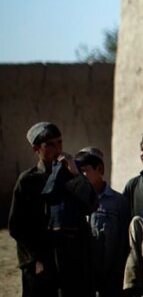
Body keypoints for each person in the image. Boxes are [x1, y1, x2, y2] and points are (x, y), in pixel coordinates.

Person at [8, 122, 99, 297]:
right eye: (50, 144)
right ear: (36, 149)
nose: (58, 149)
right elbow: (17, 226)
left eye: (59, 142)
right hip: (42, 262)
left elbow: (92, 204)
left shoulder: (71, 174)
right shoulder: (28, 181)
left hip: (73, 261)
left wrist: (75, 176)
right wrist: (35, 260)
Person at [76, 147, 131, 297]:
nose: (81, 175)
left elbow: (123, 242)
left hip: (110, 275)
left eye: (84, 170)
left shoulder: (118, 202)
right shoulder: (75, 199)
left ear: (100, 169)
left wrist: (117, 273)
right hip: (83, 273)